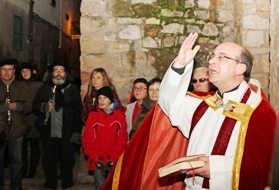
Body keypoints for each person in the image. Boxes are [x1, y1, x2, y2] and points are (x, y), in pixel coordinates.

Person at [158, 32, 277, 189]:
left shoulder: (258, 112)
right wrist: (180, 65)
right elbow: (170, 101)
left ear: (241, 68)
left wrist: (216, 168)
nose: (212, 61)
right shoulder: (204, 104)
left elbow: (264, 167)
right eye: (212, 57)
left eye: (221, 57)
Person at [33, 62, 82, 190]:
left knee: (67, 162)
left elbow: (78, 111)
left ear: (66, 74)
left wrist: (76, 133)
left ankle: (67, 184)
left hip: (67, 133)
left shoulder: (72, 89)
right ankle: (51, 185)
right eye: (56, 70)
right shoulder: (44, 88)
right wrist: (44, 107)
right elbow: (35, 106)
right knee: (49, 162)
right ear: (51, 73)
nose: (59, 73)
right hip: (49, 133)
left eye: (61, 70)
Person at [82, 86, 128, 190]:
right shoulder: (92, 117)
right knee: (100, 186)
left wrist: (113, 159)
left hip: (114, 160)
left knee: (115, 186)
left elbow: (122, 140)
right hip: (98, 161)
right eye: (100, 98)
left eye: (105, 98)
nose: (101, 100)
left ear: (111, 100)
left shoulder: (119, 116)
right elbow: (87, 140)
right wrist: (96, 159)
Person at [0, 58, 31, 190]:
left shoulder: (22, 86)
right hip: (0, 130)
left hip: (18, 130)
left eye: (10, 69)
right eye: (3, 69)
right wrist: (2, 107)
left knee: (17, 161)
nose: (7, 73)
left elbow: (31, 105)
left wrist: (19, 106)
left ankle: (16, 186)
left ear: (14, 71)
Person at [17, 62, 42, 178]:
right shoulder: (17, 85)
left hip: (35, 120)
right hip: (21, 120)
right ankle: (22, 169)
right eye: (23, 71)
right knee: (21, 148)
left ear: (32, 72)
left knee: (34, 147)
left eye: (27, 71)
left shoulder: (39, 85)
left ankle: (32, 170)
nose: (25, 73)